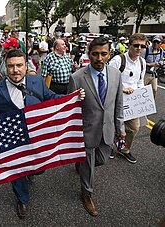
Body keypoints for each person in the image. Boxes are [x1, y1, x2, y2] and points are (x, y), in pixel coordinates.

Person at [0, 49, 85, 219]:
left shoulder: (37, 82)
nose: (15, 70)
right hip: (14, 142)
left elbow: (51, 98)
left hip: (37, 138)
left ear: (26, 66)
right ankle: (22, 198)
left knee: (37, 170)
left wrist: (73, 97)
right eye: (11, 66)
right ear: (5, 67)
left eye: (19, 65)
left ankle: (31, 172)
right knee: (18, 172)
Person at [68, 37, 125, 217]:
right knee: (89, 165)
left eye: (103, 54)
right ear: (88, 54)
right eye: (95, 54)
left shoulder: (116, 75)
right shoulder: (77, 78)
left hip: (107, 130)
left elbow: (118, 104)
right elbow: (69, 109)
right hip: (85, 131)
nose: (99, 58)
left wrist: (120, 127)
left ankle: (80, 164)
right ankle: (87, 194)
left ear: (109, 54)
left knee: (101, 160)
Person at [109, 33, 147, 164]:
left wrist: (141, 96)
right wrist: (123, 88)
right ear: (129, 45)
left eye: (142, 46)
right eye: (136, 45)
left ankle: (124, 149)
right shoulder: (118, 60)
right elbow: (108, 80)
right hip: (116, 100)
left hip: (132, 102)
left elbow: (140, 82)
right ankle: (109, 147)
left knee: (134, 128)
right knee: (113, 126)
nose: (139, 48)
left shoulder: (142, 62)